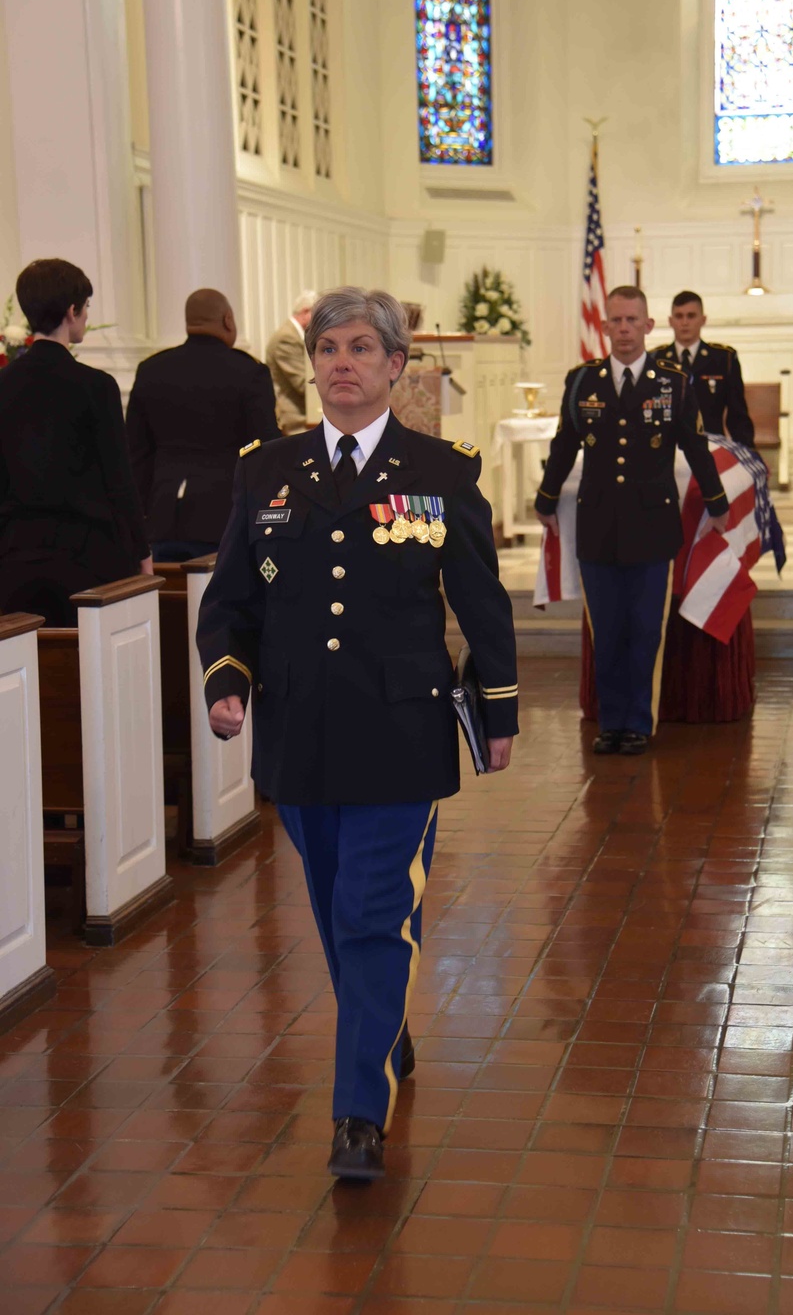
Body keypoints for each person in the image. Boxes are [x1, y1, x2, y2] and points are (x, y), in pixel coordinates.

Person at [197, 286, 518, 1179]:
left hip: (400, 732)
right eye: (328, 347)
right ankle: (387, 1023)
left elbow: (482, 603)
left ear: (395, 366)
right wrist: (229, 680)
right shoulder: (264, 469)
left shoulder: (442, 471)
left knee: (373, 916)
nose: (341, 363)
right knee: (343, 915)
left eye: (361, 349)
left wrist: (499, 712)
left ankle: (356, 1117)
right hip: (298, 736)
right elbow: (231, 603)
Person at [534, 285, 729, 755]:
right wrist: (545, 499)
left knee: (644, 630)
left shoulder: (674, 382)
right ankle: (611, 722)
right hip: (597, 527)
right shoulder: (582, 382)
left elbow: (696, 447)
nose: (623, 329)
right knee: (607, 629)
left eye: (631, 320)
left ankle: (638, 722)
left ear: (648, 326)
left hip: (652, 530)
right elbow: (564, 445)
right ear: (604, 327)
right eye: (615, 321)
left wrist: (718, 503)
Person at [0, 258, 151, 626]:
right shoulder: (96, 386)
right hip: (87, 559)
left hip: (15, 558)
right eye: (85, 307)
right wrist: (142, 553)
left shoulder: (4, 384)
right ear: (72, 310)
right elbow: (119, 478)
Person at [126, 288, 280, 562]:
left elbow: (136, 454)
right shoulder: (249, 372)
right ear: (228, 321)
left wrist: (139, 520)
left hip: (162, 517)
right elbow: (264, 450)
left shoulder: (152, 369)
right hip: (223, 518)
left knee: (167, 602)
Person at [658, 290, 755, 446]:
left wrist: (749, 454)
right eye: (679, 316)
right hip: (667, 449)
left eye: (691, 316)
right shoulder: (657, 360)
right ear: (670, 321)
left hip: (712, 447)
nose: (684, 322)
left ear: (703, 320)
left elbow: (737, 416)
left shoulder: (723, 359)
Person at [266, 289, 318, 434]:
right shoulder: (286, 338)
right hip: (296, 419)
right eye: (318, 314)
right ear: (306, 311)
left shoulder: (295, 335)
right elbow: (303, 384)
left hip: (308, 414)